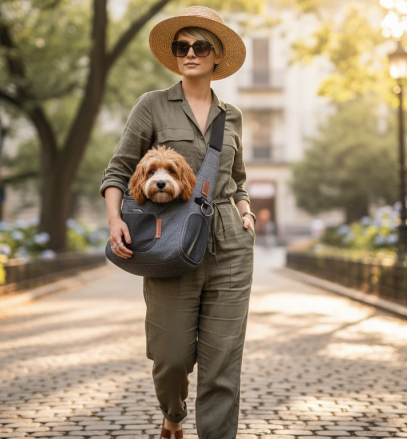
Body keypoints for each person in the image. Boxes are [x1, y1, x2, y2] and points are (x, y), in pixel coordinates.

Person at [99, 6, 254, 439]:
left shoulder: (233, 117)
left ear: (217, 56)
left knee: (223, 360)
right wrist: (115, 221)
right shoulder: (151, 105)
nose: (190, 52)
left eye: (200, 45)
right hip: (171, 241)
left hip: (229, 243)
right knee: (170, 356)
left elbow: (237, 181)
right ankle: (173, 413)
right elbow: (118, 170)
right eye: (182, 46)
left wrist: (246, 212)